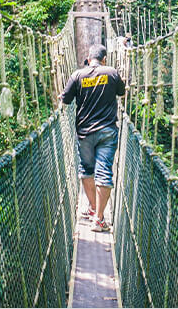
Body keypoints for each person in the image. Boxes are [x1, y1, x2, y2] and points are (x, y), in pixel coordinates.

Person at [60, 43, 125, 232]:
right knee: (104, 171)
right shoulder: (111, 72)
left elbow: (66, 99)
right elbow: (121, 92)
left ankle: (94, 209)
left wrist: (61, 96)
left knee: (86, 169)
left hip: (84, 132)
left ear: (88, 59)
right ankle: (99, 218)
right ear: (104, 59)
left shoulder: (77, 75)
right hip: (107, 131)